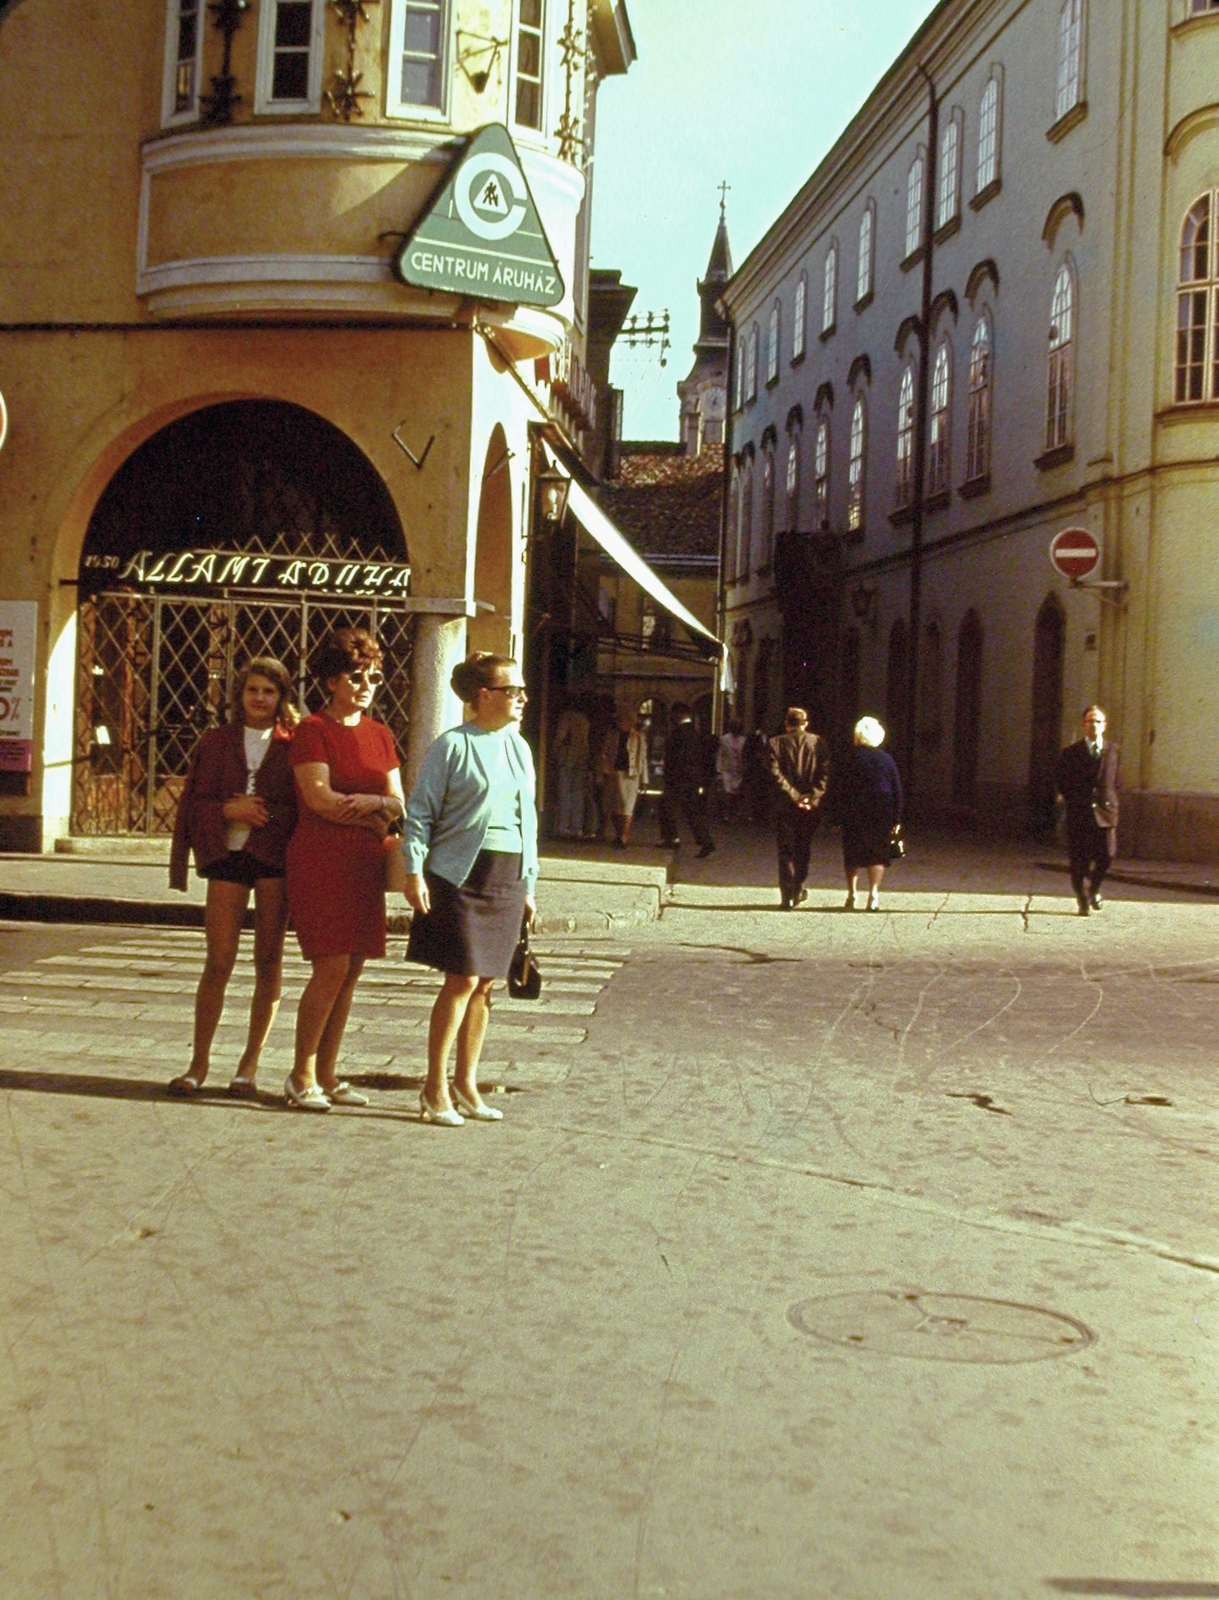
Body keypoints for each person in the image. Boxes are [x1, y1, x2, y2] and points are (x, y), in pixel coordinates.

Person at [404, 652, 538, 1126]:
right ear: (485, 696)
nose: (522, 697)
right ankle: (434, 1087)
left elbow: (529, 820)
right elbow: (419, 812)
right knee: (461, 980)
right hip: (460, 874)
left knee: (485, 985)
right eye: (513, 690)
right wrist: (414, 870)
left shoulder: (518, 747)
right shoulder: (452, 746)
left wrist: (529, 884)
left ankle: (467, 1083)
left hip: (506, 874)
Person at [283, 628, 405, 1111]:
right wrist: (373, 809)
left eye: (373, 676)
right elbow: (319, 800)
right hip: (321, 859)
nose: (365, 684)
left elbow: (398, 802)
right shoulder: (312, 730)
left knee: (351, 970)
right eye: (355, 676)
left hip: (365, 862)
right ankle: (300, 1075)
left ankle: (328, 1073)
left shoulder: (380, 733)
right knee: (330, 965)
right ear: (331, 680)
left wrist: (373, 803)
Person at [167, 658, 299, 1097]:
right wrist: (229, 810)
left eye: (269, 691)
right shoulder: (217, 740)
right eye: (252, 690)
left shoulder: (293, 741)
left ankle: (248, 1066)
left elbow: (303, 802)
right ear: (239, 695)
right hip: (227, 855)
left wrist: (266, 812)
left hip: (274, 857)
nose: (260, 699)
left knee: (268, 960)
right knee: (218, 961)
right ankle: (198, 1064)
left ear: (281, 697)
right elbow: (195, 800)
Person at [1055, 704, 1119, 916]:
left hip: (1105, 811)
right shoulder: (1070, 753)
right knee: (1079, 860)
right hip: (1080, 812)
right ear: (1083, 725)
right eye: (1090, 721)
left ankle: (1094, 889)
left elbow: (1115, 779)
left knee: (1107, 854)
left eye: (1098, 722)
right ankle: (1082, 899)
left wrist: (1110, 801)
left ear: (1105, 725)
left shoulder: (1113, 751)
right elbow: (1062, 781)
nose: (1094, 725)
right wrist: (1074, 800)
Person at [767, 706, 831, 909]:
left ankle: (787, 896)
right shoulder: (819, 743)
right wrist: (811, 797)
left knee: (786, 851)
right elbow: (826, 774)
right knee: (803, 848)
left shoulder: (775, 743)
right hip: (809, 807)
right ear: (805, 723)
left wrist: (793, 795)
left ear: (787, 723)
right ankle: (798, 888)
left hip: (784, 805)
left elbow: (774, 774)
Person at [839, 716, 902, 911]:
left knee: (852, 854)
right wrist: (897, 818)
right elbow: (897, 790)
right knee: (877, 854)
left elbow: (840, 788)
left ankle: (852, 894)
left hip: (854, 811)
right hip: (882, 810)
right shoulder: (886, 759)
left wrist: (836, 816)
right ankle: (873, 895)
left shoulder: (849, 757)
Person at [659, 703, 715, 858]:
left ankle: (671, 837)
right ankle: (705, 841)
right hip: (691, 779)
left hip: (678, 779)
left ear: (678, 714)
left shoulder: (680, 733)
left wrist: (670, 774)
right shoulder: (694, 733)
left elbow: (677, 757)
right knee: (692, 812)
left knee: (667, 807)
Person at [598, 705, 647, 849]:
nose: (620, 723)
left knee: (626, 806)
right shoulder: (612, 735)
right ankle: (619, 834)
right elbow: (604, 753)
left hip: (631, 775)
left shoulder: (638, 737)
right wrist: (602, 772)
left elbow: (642, 758)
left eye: (623, 720)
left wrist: (644, 780)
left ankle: (623, 836)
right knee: (613, 805)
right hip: (614, 773)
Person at [551, 698, 591, 839]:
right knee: (578, 793)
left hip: (566, 756)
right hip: (581, 755)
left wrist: (554, 750)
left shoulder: (566, 717)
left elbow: (561, 736)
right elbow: (585, 741)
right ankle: (577, 826)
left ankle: (563, 826)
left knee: (564, 792)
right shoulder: (584, 720)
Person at [716, 720, 747, 821]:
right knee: (726, 792)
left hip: (738, 769)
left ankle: (734, 813)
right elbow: (720, 754)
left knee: (736, 792)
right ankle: (725, 814)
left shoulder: (743, 740)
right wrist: (719, 769)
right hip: (727, 769)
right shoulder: (724, 739)